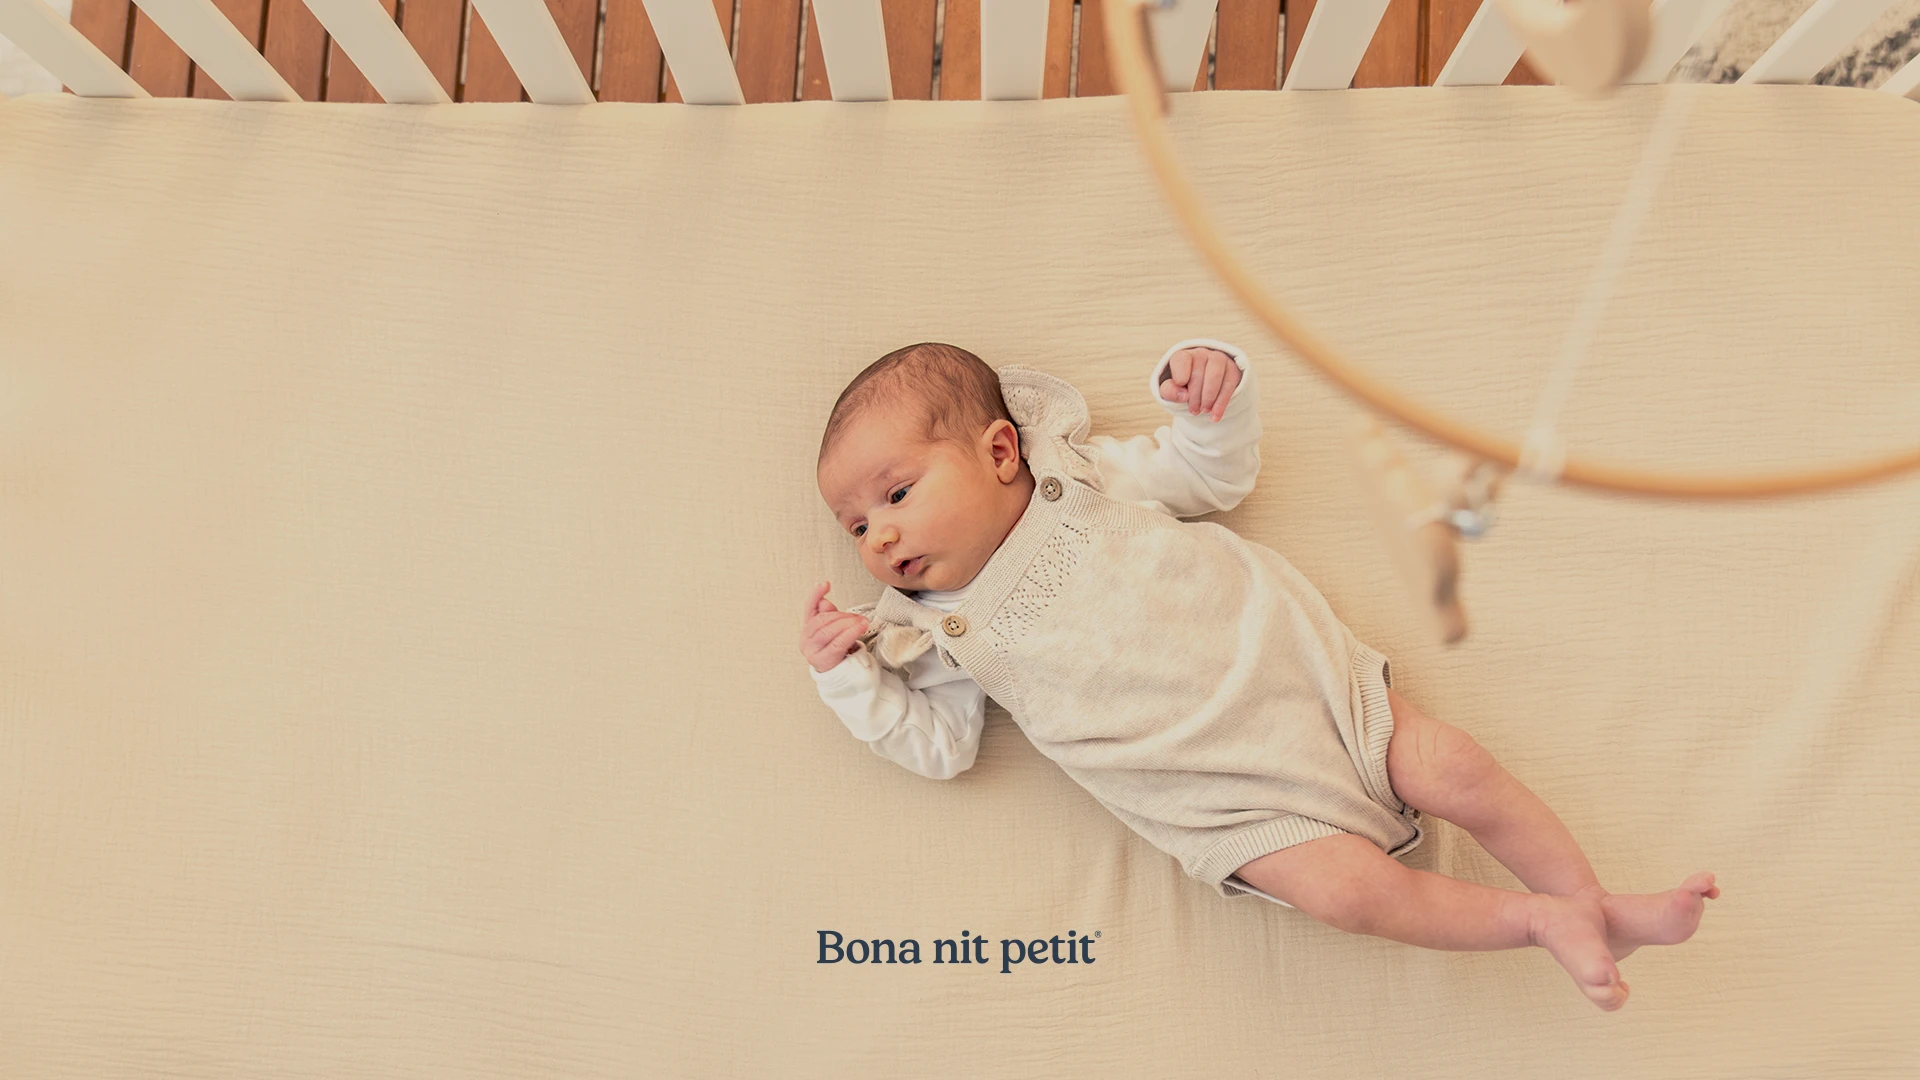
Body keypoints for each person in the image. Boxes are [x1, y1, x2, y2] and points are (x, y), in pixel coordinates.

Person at [802, 339, 1718, 1011]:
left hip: (1304, 689)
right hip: (1222, 801)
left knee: (1456, 766)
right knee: (1348, 894)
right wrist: (847, 677)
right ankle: (1538, 922)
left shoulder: (1082, 480)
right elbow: (940, 747)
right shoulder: (936, 633)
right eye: (856, 526)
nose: (879, 535)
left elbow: (1211, 478)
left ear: (1001, 453)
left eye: (897, 493)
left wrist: (1213, 406)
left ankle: (1591, 903)